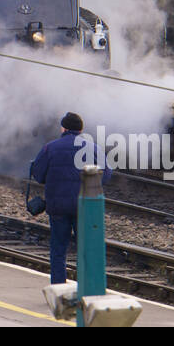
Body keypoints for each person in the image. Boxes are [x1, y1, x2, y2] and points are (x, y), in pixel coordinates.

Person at [30, 112, 112, 284]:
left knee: (59, 249)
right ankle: (85, 288)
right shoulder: (93, 148)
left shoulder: (50, 147)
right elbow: (106, 174)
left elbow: (38, 174)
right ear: (81, 129)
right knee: (85, 249)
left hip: (58, 206)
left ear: (63, 128)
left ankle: (59, 287)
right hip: (85, 206)